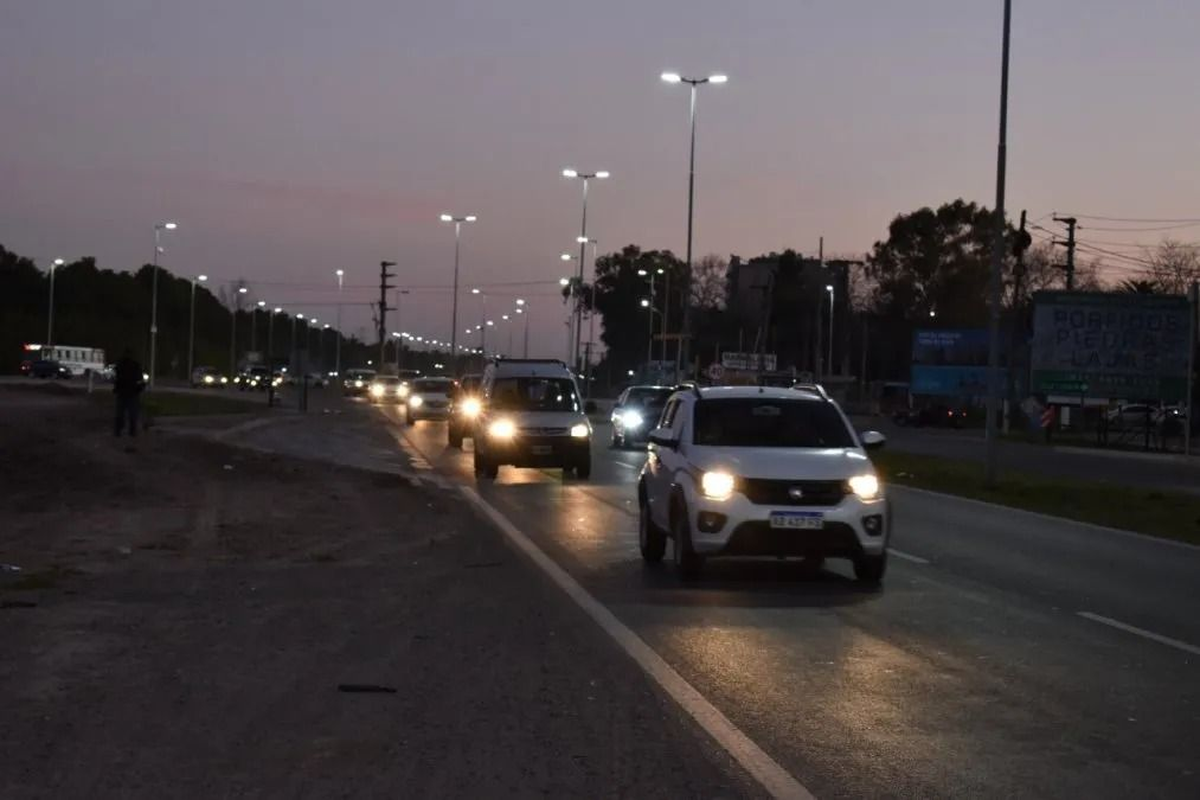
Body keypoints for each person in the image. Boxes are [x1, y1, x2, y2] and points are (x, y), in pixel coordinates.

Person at [113, 349, 145, 437]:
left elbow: (116, 379)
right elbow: (140, 380)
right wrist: (140, 388)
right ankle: (131, 431)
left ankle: (118, 431)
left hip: (123, 392)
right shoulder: (135, 365)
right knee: (132, 413)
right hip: (132, 392)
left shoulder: (120, 365)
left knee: (120, 413)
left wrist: (116, 388)